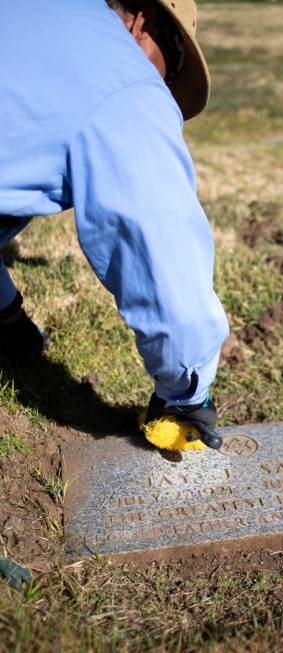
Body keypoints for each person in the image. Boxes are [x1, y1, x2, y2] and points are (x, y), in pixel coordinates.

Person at [0, 0, 229, 448]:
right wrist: (186, 393)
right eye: (175, 64)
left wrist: (5, 315)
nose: (164, 84)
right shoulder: (123, 83)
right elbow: (161, 255)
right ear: (144, 22)